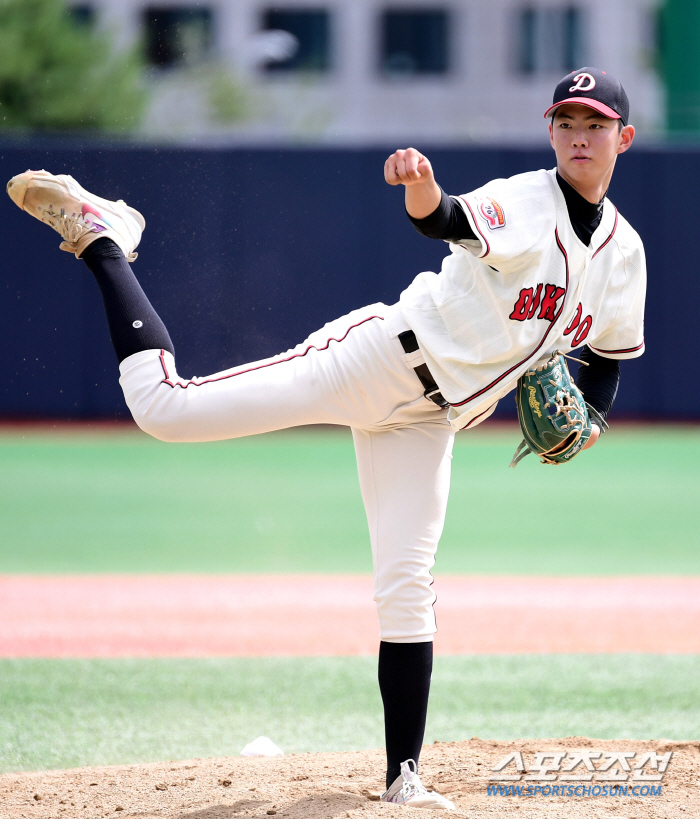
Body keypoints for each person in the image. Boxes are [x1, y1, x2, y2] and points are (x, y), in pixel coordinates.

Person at [6, 66, 645, 811]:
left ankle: (403, 778)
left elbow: (605, 361)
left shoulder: (624, 254)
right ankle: (104, 238)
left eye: (593, 124)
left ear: (622, 138)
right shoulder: (529, 202)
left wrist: (591, 425)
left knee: (408, 587)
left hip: (430, 419)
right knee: (163, 409)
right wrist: (420, 185)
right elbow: (445, 220)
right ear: (551, 132)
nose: (577, 135)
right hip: (375, 359)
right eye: (565, 121)